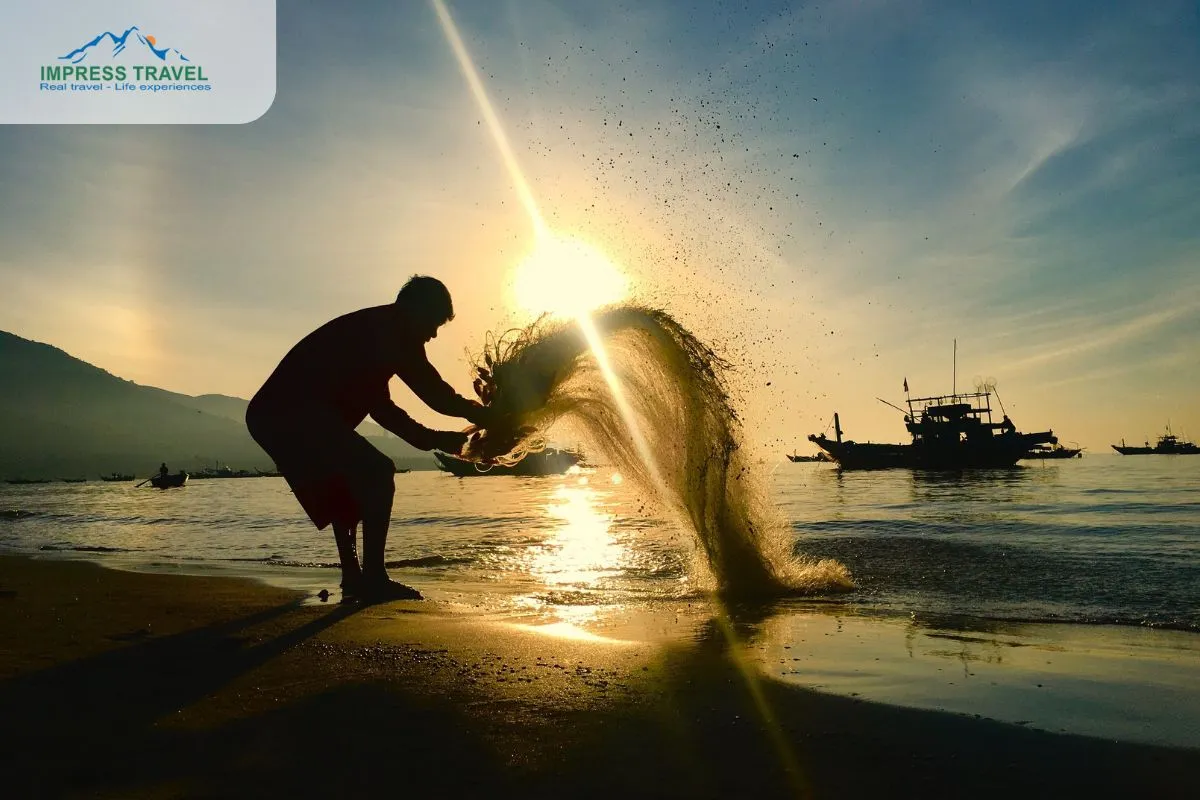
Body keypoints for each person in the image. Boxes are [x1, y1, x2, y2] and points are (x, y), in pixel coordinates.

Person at [246, 276, 497, 602]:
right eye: (433, 323)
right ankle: (373, 579)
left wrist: (434, 438)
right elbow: (437, 396)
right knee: (377, 472)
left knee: (347, 485)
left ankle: (354, 579)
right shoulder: (392, 332)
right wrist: (491, 416)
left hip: (276, 415)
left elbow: (383, 408)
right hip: (286, 413)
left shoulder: (375, 331)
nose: (433, 335)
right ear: (415, 309)